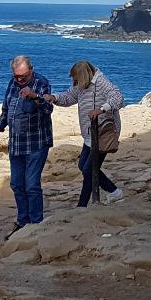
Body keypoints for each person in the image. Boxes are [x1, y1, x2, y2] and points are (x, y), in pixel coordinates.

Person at [0, 55, 53, 236]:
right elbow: (7, 109)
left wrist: (34, 97)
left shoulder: (41, 83)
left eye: (23, 76)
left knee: (31, 184)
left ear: (31, 69)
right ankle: (23, 221)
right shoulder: (12, 83)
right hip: (16, 143)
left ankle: (36, 223)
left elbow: (48, 108)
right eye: (16, 76)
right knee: (16, 184)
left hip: (36, 142)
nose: (20, 79)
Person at [46, 60, 124, 207]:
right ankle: (113, 192)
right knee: (84, 166)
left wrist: (102, 109)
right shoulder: (81, 86)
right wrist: (54, 98)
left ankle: (85, 203)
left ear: (83, 76)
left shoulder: (101, 82)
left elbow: (118, 98)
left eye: (75, 78)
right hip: (90, 134)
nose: (74, 82)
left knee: (89, 169)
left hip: (104, 133)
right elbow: (69, 97)